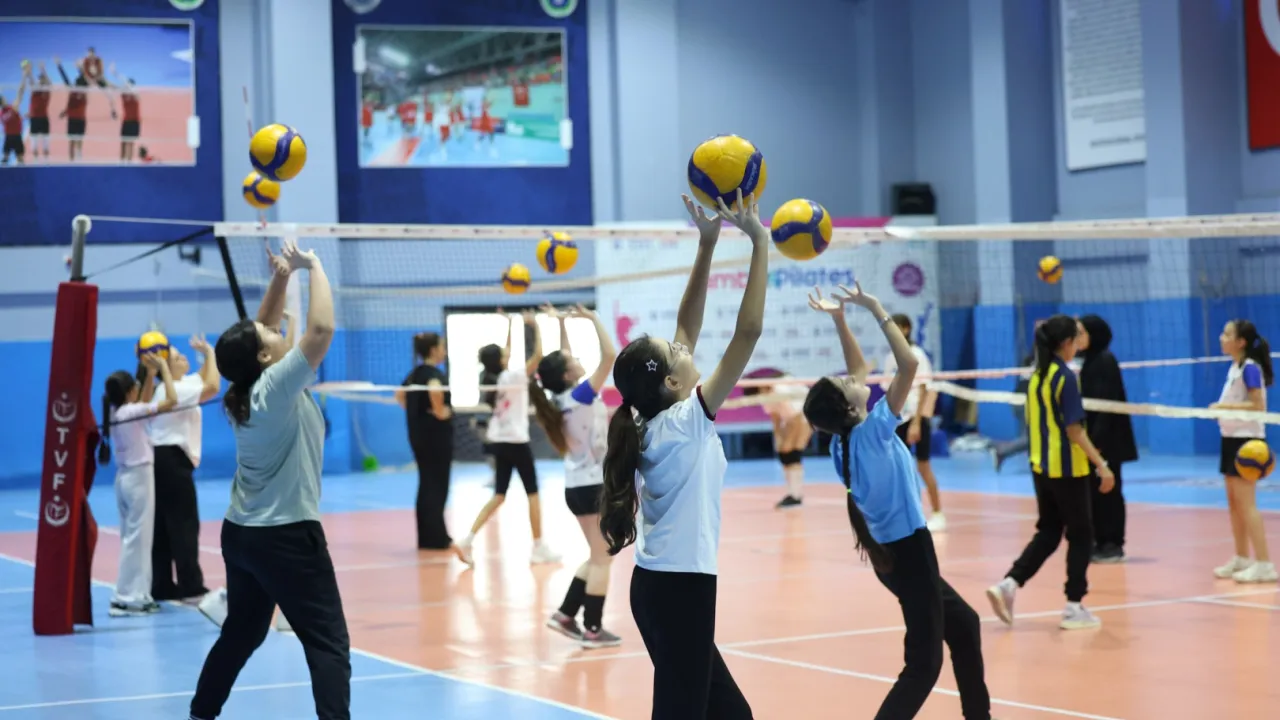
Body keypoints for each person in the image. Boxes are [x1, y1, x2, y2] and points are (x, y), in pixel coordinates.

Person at [598, 190, 766, 719]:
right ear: (671, 382)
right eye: (675, 353)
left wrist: (707, 244)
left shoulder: (650, 418)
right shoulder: (688, 419)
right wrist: (759, 243)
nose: (684, 346)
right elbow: (748, 332)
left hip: (660, 587)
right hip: (680, 589)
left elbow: (687, 326)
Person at [801, 283, 991, 720]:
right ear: (850, 407)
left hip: (892, 556)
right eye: (847, 384)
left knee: (965, 626)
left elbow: (858, 367)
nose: (854, 378)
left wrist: (839, 320)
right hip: (910, 552)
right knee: (924, 665)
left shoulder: (842, 442)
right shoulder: (873, 433)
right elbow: (908, 364)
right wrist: (875, 308)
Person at [190, 239, 350, 720]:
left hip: (242, 534)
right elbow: (321, 330)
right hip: (286, 537)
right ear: (263, 356)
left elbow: (262, 329)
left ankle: (201, 713)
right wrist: (314, 265)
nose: (277, 330)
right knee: (328, 642)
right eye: (271, 335)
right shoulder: (277, 386)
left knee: (242, 631)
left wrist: (281, 278)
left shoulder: (247, 387)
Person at [986, 315, 1115, 631]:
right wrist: (1102, 465)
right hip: (1068, 469)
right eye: (1075, 338)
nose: (1078, 344)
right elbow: (1074, 430)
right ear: (1066, 343)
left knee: (1049, 531)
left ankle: (1009, 583)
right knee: (1081, 535)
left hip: (1041, 467)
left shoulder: (1037, 377)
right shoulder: (1065, 377)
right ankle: (1074, 606)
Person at [532, 304, 622, 648]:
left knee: (597, 554)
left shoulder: (558, 397)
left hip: (577, 486)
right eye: (572, 360)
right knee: (603, 558)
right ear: (568, 374)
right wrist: (593, 318)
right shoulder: (580, 395)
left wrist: (561, 324)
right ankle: (593, 629)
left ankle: (566, 614)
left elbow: (562, 358)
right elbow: (610, 356)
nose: (577, 359)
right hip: (592, 486)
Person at [454, 311, 560, 565]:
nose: (507, 353)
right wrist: (535, 325)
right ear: (500, 360)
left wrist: (511, 323)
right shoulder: (513, 377)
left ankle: (467, 539)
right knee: (533, 493)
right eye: (503, 353)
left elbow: (507, 351)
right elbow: (538, 356)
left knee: (499, 495)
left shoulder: (491, 378)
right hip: (515, 441)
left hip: (498, 440)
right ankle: (538, 547)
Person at [98, 354, 178, 617]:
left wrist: (149, 375)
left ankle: (136, 594)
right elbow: (171, 401)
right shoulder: (131, 412)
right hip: (139, 478)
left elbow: (142, 403)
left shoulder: (117, 411)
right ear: (129, 391)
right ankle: (126, 597)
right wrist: (164, 369)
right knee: (138, 539)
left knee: (133, 538)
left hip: (124, 479)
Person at [146, 335, 220, 603]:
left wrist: (206, 354)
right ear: (167, 367)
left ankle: (162, 585)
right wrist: (211, 352)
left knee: (163, 525)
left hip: (161, 460)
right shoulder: (172, 390)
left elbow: (203, 376)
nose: (184, 358)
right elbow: (212, 386)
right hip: (171, 460)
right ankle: (191, 585)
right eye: (177, 358)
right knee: (184, 523)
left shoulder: (180, 385)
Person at [1210, 319, 1276, 583]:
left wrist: (1223, 408)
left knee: (1247, 504)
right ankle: (1242, 557)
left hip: (1247, 442)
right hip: (1230, 438)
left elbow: (1258, 405)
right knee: (1234, 503)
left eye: (1227, 334)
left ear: (1241, 342)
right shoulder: (1234, 367)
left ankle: (1265, 563)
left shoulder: (1250, 368)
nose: (1221, 337)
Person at [1076, 315, 1137, 564]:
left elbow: (1106, 406)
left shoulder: (1105, 360)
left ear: (1094, 335)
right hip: (1095, 440)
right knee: (1096, 493)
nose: (1077, 337)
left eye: (1081, 333)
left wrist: (1097, 442)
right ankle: (1100, 541)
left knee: (1109, 492)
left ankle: (1112, 544)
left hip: (1108, 441)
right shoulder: (1090, 361)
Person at [397, 332, 464, 557]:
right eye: (442, 346)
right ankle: (437, 538)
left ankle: (427, 537)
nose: (444, 350)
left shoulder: (414, 374)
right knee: (438, 484)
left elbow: (399, 395)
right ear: (433, 350)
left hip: (417, 435)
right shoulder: (435, 374)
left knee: (426, 483)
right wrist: (440, 411)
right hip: (436, 437)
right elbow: (435, 390)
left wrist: (416, 413)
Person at [881, 314, 945, 531]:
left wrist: (917, 423)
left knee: (923, 466)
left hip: (916, 418)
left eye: (895, 327)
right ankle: (907, 515)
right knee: (898, 469)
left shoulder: (916, 355)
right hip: (898, 419)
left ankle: (938, 514)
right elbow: (889, 390)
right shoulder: (890, 357)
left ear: (906, 329)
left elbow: (924, 389)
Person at [743, 371, 812, 509]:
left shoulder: (780, 390)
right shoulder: (765, 396)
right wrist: (779, 439)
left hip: (806, 414)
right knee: (784, 453)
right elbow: (775, 419)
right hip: (792, 418)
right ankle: (793, 494)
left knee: (793, 452)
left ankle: (796, 496)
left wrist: (788, 441)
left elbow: (797, 417)